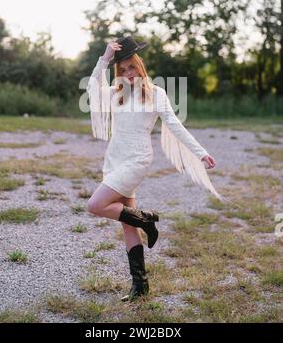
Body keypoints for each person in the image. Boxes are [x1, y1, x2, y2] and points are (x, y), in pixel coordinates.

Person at [85, 35, 218, 302]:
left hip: (137, 160)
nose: (128, 74)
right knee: (127, 225)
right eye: (122, 70)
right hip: (115, 159)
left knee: (95, 205)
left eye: (131, 67)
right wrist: (105, 58)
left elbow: (175, 126)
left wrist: (201, 153)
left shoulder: (157, 94)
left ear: (139, 66)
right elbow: (91, 88)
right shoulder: (116, 93)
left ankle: (146, 218)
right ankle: (140, 285)